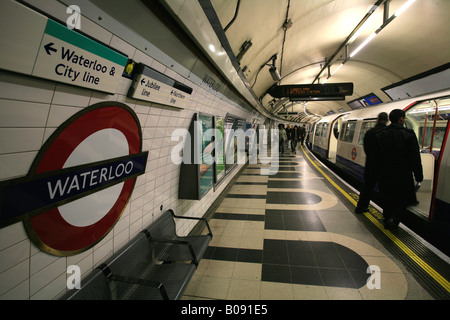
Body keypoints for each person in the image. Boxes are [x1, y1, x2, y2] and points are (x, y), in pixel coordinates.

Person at [371, 109, 423, 229]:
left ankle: (387, 217)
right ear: (401, 119)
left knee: (387, 197)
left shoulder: (380, 134)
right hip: (403, 174)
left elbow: (375, 157)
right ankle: (395, 220)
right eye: (404, 118)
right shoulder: (409, 135)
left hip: (385, 173)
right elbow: (415, 158)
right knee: (403, 199)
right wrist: (418, 175)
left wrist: (375, 173)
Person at [355, 112, 388, 214]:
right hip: (385, 166)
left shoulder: (369, 132)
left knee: (367, 187)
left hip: (371, 164)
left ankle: (361, 207)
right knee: (386, 190)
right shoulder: (388, 133)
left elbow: (366, 148)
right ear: (386, 120)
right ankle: (386, 214)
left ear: (377, 120)